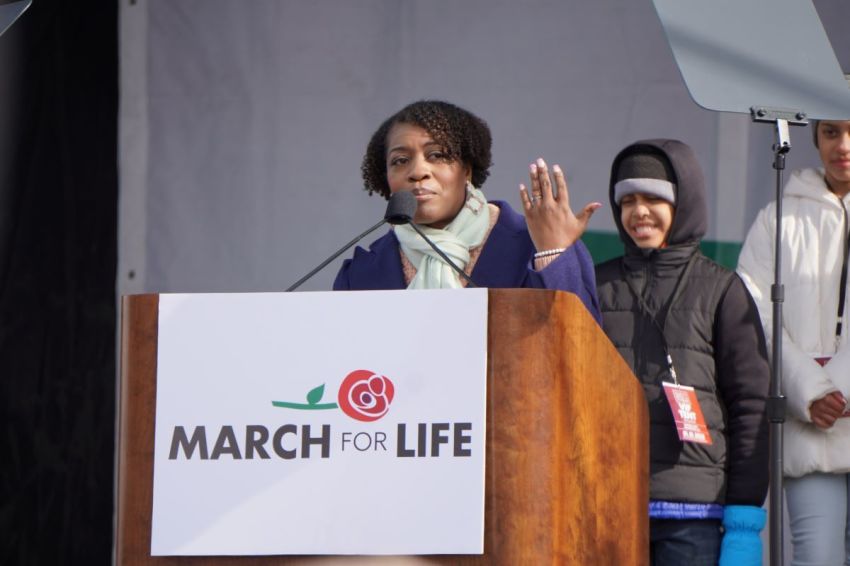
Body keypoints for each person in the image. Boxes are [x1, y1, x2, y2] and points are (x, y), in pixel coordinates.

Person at [595, 139, 770, 565]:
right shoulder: (597, 286)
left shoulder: (722, 288)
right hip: (608, 504)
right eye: (628, 200)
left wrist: (744, 520)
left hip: (696, 513)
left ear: (684, 201)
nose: (639, 212)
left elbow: (751, 405)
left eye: (654, 198)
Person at [333, 100, 601, 321]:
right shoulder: (361, 273)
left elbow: (583, 350)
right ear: (386, 179)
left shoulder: (536, 244)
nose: (417, 172)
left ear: (467, 171)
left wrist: (552, 257)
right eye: (400, 161)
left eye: (436, 155)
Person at [737, 119, 850, 566]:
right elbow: (753, 310)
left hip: (829, 405)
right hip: (809, 424)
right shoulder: (778, 216)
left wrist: (838, 386)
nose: (843, 145)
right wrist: (811, 390)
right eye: (831, 133)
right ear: (814, 139)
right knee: (816, 557)